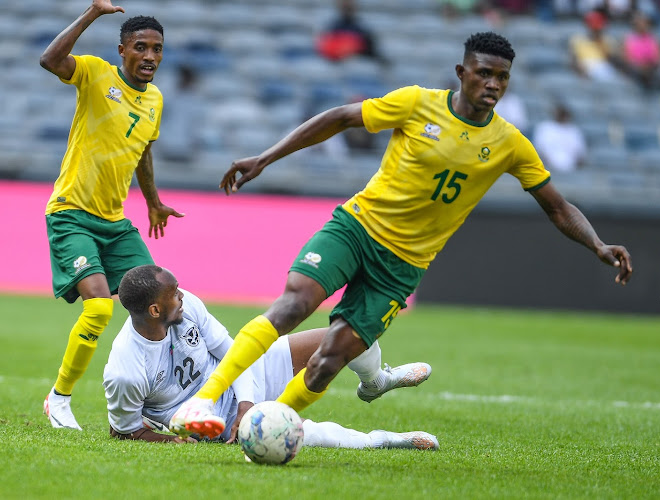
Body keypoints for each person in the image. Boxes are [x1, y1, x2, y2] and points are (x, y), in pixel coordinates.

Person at [170, 32, 633, 440]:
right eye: (484, 73)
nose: (492, 84)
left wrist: (596, 243)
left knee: (329, 360)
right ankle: (205, 401)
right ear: (461, 72)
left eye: (502, 77)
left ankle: (265, 429)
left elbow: (557, 205)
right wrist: (265, 158)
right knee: (293, 304)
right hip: (356, 228)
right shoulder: (416, 103)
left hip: (401, 268)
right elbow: (340, 117)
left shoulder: (510, 143)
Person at [103, 265, 438, 451]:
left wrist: (245, 402)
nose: (182, 297)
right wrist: (174, 441)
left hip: (241, 376)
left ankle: (378, 381)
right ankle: (385, 441)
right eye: (174, 295)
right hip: (212, 418)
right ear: (154, 310)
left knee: (347, 337)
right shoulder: (126, 370)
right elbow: (125, 431)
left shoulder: (187, 305)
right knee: (301, 434)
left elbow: (235, 353)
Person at [39, 0, 183, 431]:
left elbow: (142, 151)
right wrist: (91, 15)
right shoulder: (96, 74)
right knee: (100, 307)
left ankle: (165, 400)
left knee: (166, 301)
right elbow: (50, 60)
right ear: (122, 50)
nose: (150, 57)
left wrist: (153, 201)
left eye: (157, 49)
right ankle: (59, 398)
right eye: (141, 47)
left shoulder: (155, 100)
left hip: (115, 223)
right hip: (71, 214)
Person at [532, 103, 587, 172]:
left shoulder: (574, 130)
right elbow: (539, 149)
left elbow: (580, 154)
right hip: (547, 169)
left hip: (571, 170)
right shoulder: (545, 127)